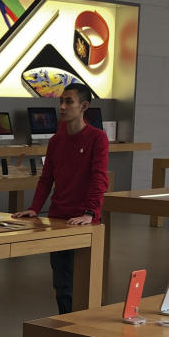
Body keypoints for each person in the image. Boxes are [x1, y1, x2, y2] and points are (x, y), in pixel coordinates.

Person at [13, 83, 109, 315]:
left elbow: (99, 178)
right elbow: (46, 179)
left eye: (69, 102)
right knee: (62, 283)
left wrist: (89, 212)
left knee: (82, 282)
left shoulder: (98, 138)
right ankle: (68, 328)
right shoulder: (56, 141)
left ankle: (83, 330)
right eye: (61, 101)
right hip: (58, 219)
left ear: (84, 106)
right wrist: (35, 208)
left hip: (84, 219)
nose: (62, 107)